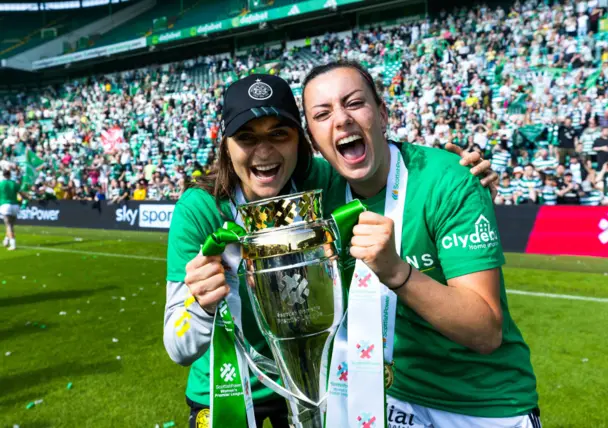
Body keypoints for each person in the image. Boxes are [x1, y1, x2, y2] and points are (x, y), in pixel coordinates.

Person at [163, 74, 497, 428]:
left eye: (280, 133)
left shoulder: (321, 184)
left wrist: (458, 180)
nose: (264, 152)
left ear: (301, 141)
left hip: (314, 392)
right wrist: (199, 305)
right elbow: (178, 347)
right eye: (246, 137)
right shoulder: (200, 209)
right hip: (229, 393)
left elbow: (390, 174)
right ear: (226, 146)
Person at [301, 61, 540, 427]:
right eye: (322, 113)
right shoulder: (316, 191)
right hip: (390, 399)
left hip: (484, 404)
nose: (341, 119)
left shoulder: (447, 180)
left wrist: (397, 272)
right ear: (313, 139)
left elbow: (486, 331)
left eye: (354, 103)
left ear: (381, 114)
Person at [0, 169, 23, 251]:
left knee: (9, 226)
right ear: (10, 175)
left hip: (5, 205)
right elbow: (22, 194)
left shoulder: (1, 184)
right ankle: (6, 240)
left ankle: (13, 244)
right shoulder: (14, 184)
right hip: (15, 205)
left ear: (3, 175)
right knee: (11, 225)